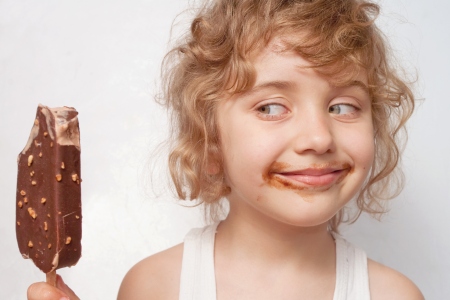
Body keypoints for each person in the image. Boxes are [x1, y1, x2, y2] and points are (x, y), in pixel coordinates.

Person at [27, 0, 424, 299]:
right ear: (209, 140)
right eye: (271, 107)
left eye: (343, 107)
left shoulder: (395, 295)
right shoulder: (155, 287)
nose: (319, 138)